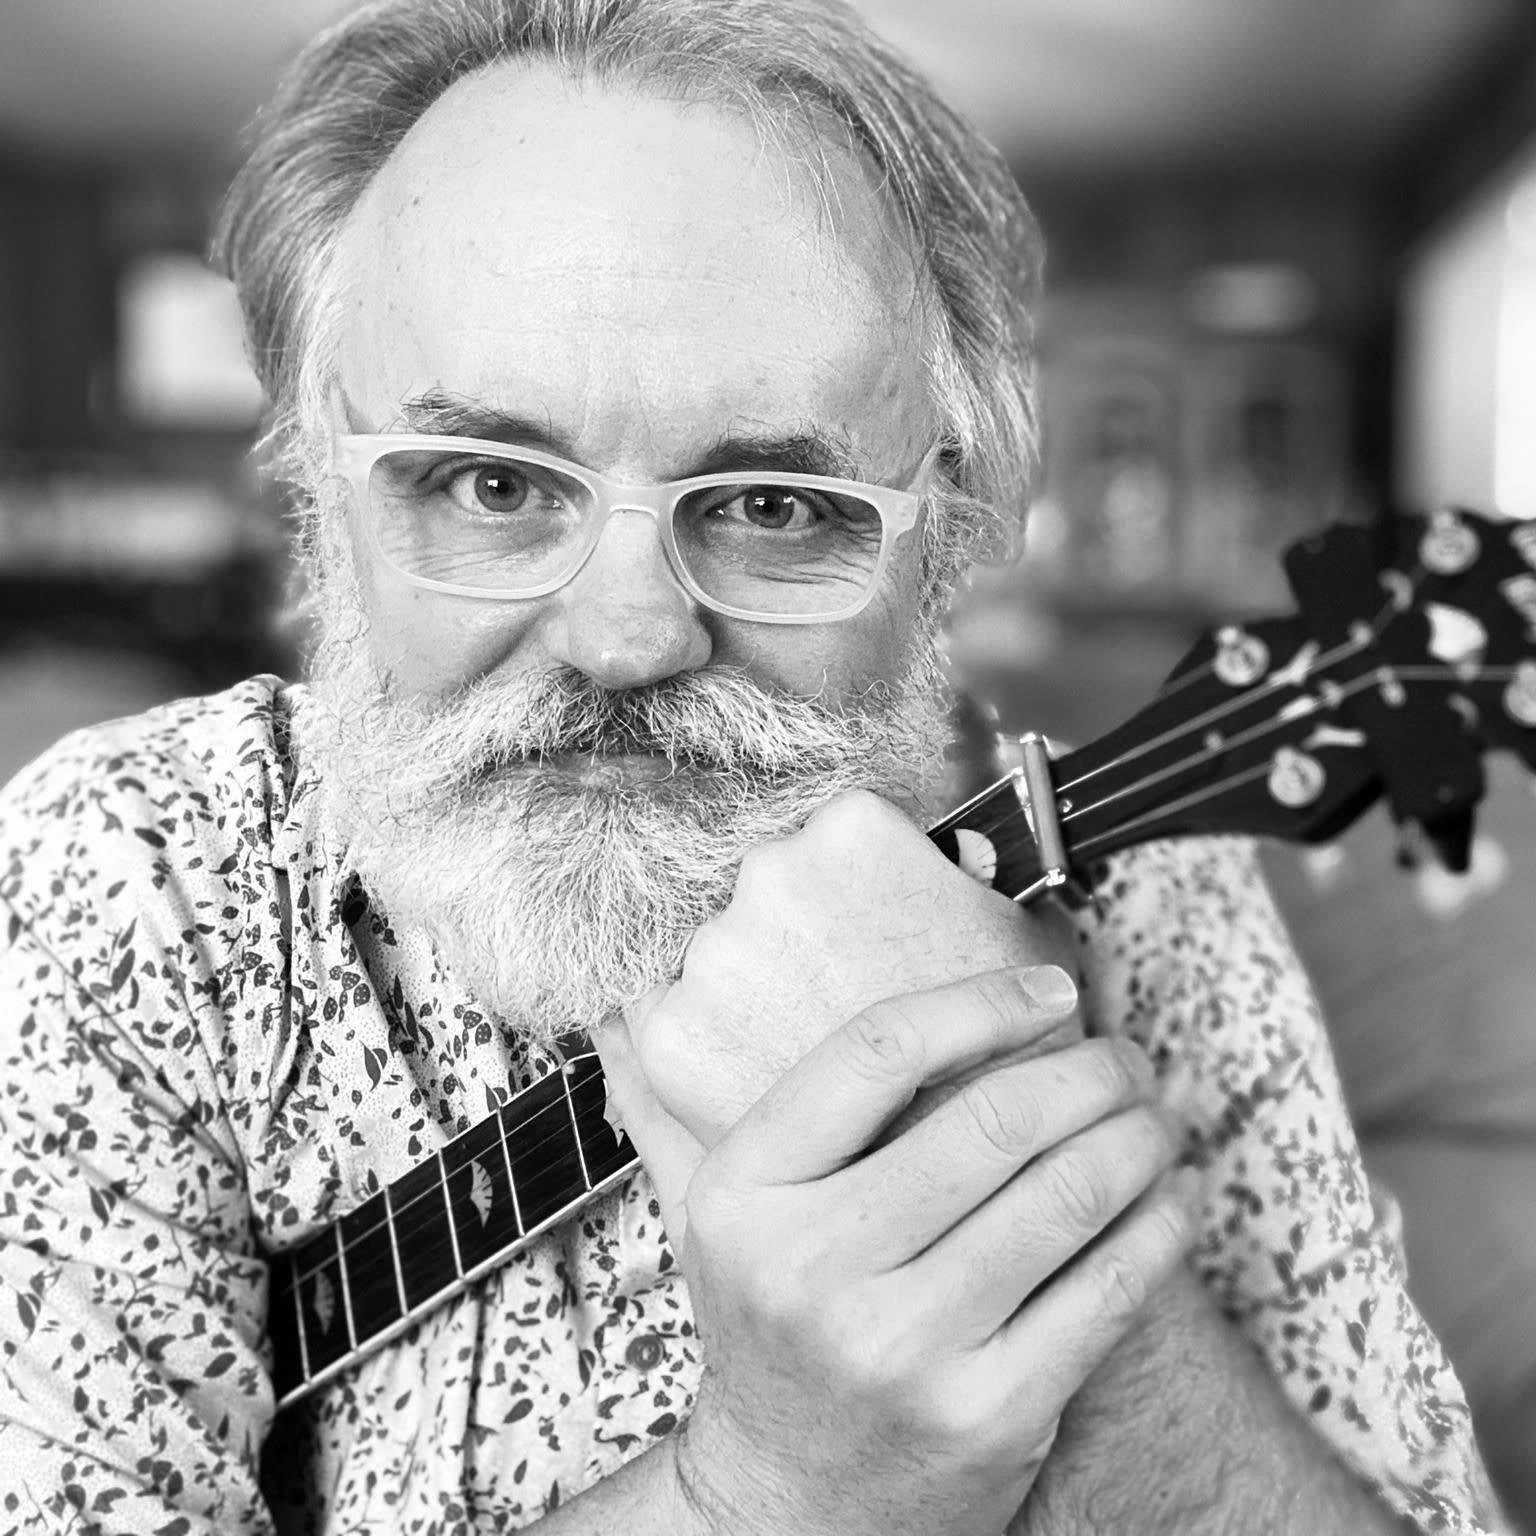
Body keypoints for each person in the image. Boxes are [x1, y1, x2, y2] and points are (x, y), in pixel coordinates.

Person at [0, 1, 1502, 1532]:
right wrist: (766, 1487)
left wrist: (1049, 1251)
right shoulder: (127, 878)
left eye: (775, 505)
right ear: (320, 499)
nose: (626, 634)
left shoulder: (1155, 898)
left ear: (952, 536)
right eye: (490, 482)